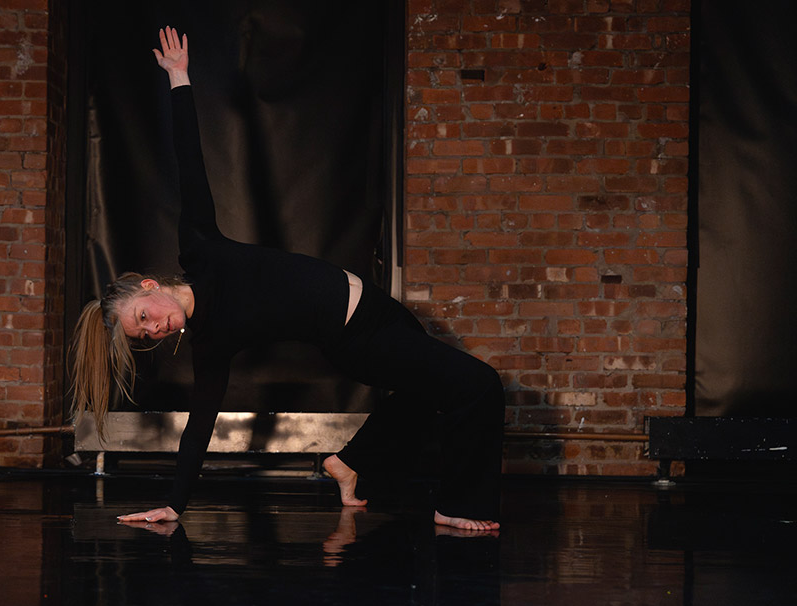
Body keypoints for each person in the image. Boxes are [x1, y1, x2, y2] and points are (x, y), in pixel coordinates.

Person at [69, 26, 505, 532]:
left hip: (380, 310)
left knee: (428, 391)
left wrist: (179, 78)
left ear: (149, 286)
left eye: (144, 317)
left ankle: (348, 463)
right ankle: (456, 506)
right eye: (144, 335)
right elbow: (198, 431)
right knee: (479, 387)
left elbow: (191, 167)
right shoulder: (210, 345)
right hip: (357, 337)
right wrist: (173, 503)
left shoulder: (201, 250)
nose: (155, 328)